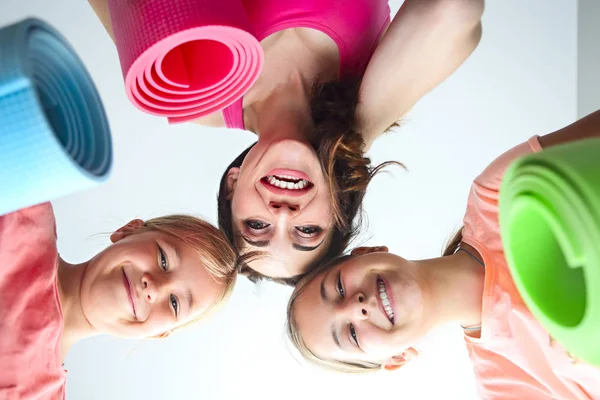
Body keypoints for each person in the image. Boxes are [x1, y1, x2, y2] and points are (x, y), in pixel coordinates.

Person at [88, 0, 485, 284]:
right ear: (336, 205)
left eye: (256, 226)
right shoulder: (370, 86)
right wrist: (354, 136)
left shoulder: (187, 90)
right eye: (307, 232)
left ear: (232, 184)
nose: (282, 214)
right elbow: (454, 11)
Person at [286, 110, 600, 399]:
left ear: (367, 252)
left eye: (339, 287)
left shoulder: (497, 193)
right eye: (351, 333)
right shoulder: (507, 386)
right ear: (395, 359)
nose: (356, 307)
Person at [0, 203, 239, 399]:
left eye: (174, 303)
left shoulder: (40, 394)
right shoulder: (25, 211)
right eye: (163, 259)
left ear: (158, 333)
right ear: (128, 230)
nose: (154, 287)